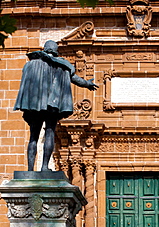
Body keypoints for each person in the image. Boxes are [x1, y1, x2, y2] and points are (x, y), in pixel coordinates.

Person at [14, 40, 98, 171]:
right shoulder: (62, 65)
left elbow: (26, 83)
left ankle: (30, 170)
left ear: (45, 49)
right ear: (55, 50)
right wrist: (87, 84)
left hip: (34, 105)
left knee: (33, 136)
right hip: (51, 105)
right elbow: (75, 78)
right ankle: (44, 167)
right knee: (50, 132)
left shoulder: (30, 64)